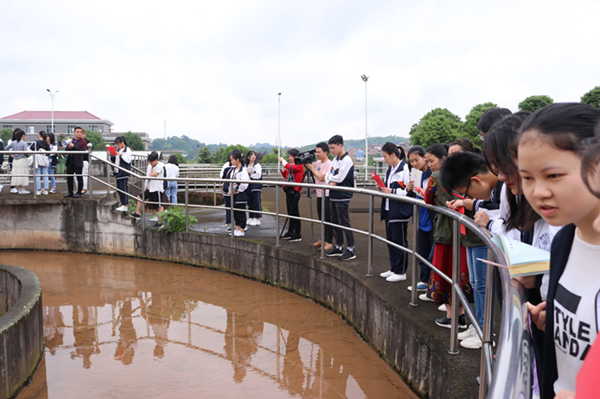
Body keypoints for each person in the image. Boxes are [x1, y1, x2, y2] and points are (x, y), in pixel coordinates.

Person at [517, 103, 600, 399]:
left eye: (553, 175)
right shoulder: (564, 240)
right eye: (527, 177)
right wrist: (553, 322)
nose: (538, 192)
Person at [422, 143, 471, 329]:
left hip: (446, 231)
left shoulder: (436, 177)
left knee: (445, 272)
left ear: (444, 158)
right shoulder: (468, 174)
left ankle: (451, 317)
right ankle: (462, 315)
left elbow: (428, 198)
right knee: (461, 272)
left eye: (431, 160)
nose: (430, 164)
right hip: (466, 231)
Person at [378, 142, 412, 282]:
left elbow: (409, 192)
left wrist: (392, 191)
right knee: (391, 240)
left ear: (393, 155)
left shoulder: (405, 169)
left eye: (385, 156)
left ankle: (401, 271)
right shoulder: (390, 169)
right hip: (388, 209)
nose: (384, 159)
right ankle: (394, 268)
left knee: (399, 241)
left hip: (399, 211)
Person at [406, 145, 434, 291]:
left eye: (417, 160)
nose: (414, 164)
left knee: (433, 254)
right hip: (421, 217)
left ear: (425, 158)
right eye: (411, 161)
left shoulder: (432, 174)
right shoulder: (416, 174)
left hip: (432, 219)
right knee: (422, 251)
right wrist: (409, 189)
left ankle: (433, 284)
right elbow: (413, 196)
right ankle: (425, 281)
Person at [325, 135, 356, 261]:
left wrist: (332, 179)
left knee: (344, 222)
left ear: (340, 146)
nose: (332, 150)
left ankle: (351, 248)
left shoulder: (347, 160)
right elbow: (328, 175)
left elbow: (340, 178)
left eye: (333, 148)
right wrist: (330, 180)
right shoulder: (335, 160)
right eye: (330, 148)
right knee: (335, 222)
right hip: (333, 194)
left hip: (343, 195)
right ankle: (338, 246)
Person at [305, 142, 333, 251]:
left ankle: (329, 242)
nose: (317, 154)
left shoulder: (329, 164)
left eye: (319, 152)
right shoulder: (317, 163)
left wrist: (311, 167)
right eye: (316, 152)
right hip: (319, 194)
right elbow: (310, 172)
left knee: (327, 219)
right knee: (321, 218)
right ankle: (322, 239)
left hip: (327, 194)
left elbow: (321, 177)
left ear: (326, 152)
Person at [129, 151, 165, 223]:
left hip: (157, 189)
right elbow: (150, 178)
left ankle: (161, 222)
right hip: (151, 188)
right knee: (140, 197)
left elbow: (152, 175)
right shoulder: (154, 166)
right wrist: (145, 188)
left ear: (156, 160)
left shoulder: (159, 166)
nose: (150, 163)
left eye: (151, 162)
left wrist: (151, 167)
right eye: (149, 162)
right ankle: (137, 214)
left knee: (159, 206)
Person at [279, 149, 304, 242]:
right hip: (289, 190)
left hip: (295, 190)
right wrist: (284, 168)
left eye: (290, 156)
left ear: (295, 157)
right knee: (290, 211)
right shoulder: (293, 166)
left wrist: (283, 162)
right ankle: (291, 231)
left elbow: (291, 169)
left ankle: (297, 233)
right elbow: (286, 174)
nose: (289, 158)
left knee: (295, 211)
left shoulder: (299, 165)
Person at [229, 149, 249, 237]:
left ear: (237, 160)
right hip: (234, 193)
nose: (231, 161)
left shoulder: (243, 170)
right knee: (235, 211)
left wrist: (236, 190)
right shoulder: (234, 170)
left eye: (232, 160)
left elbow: (244, 183)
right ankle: (237, 227)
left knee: (241, 211)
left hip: (241, 194)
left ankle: (242, 229)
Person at [64, 127, 88, 198]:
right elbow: (66, 149)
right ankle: (70, 192)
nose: (79, 133)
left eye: (80, 132)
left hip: (78, 161)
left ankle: (79, 192)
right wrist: (69, 147)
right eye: (77, 132)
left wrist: (74, 146)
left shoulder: (84, 142)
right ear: (74, 133)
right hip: (70, 161)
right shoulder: (71, 140)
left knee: (79, 177)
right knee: (69, 178)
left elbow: (83, 151)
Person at [5, 129, 30, 194]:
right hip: (22, 160)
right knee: (22, 174)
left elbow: (6, 148)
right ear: (23, 136)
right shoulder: (24, 143)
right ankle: (21, 189)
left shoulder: (13, 142)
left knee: (16, 174)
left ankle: (19, 188)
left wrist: (11, 154)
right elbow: (26, 153)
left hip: (15, 160)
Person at [114, 136, 132, 212]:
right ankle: (123, 204)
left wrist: (120, 155)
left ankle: (125, 205)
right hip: (118, 171)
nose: (117, 146)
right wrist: (112, 155)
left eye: (118, 144)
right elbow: (116, 160)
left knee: (123, 188)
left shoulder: (127, 150)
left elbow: (128, 160)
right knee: (119, 188)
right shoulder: (119, 149)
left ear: (122, 142)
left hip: (124, 172)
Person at [30, 130, 50, 195]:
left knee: (37, 175)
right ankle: (46, 190)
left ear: (39, 135)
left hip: (37, 159)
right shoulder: (46, 143)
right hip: (45, 159)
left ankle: (38, 190)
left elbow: (30, 149)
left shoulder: (36, 142)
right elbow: (49, 153)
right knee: (45, 175)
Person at [245, 150, 263, 226]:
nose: (253, 156)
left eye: (254, 155)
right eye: (252, 155)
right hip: (248, 185)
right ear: (248, 157)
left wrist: (250, 172)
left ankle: (258, 218)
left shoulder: (257, 165)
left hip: (255, 185)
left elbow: (258, 175)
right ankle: (251, 217)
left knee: (256, 201)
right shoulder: (246, 165)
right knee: (250, 202)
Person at [221, 154, 233, 231]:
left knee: (229, 207)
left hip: (229, 190)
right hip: (231, 190)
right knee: (230, 207)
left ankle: (230, 224)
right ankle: (231, 224)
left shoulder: (226, 166)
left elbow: (222, 176)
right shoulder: (240, 168)